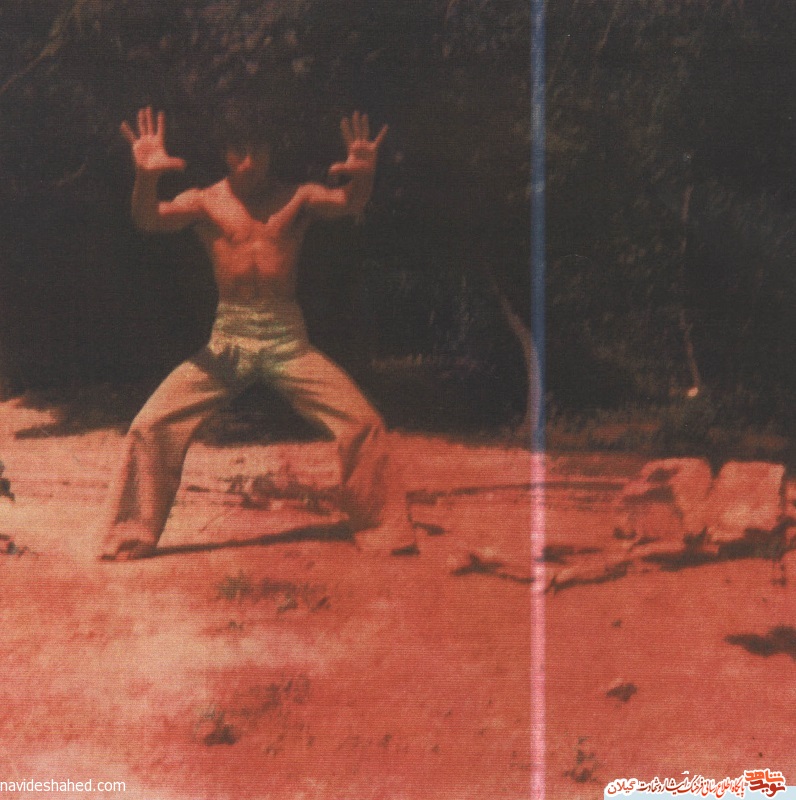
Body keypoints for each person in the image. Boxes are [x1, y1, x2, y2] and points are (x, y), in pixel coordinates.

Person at [99, 105, 417, 560]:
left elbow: (348, 202)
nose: (250, 162)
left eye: (259, 150)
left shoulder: (297, 197)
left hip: (288, 340)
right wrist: (145, 178)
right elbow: (148, 219)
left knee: (363, 424)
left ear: (271, 151)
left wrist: (364, 175)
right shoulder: (206, 201)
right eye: (239, 151)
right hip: (227, 341)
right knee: (150, 425)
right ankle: (130, 534)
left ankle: (385, 530)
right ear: (224, 153)